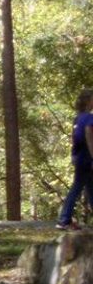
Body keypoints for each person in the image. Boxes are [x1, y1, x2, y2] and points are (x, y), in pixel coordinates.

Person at [57, 88, 93, 229]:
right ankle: (64, 219)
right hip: (87, 159)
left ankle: (64, 219)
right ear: (88, 100)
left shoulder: (77, 118)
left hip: (79, 157)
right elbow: (89, 137)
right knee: (77, 187)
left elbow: (74, 138)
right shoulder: (89, 118)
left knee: (91, 188)